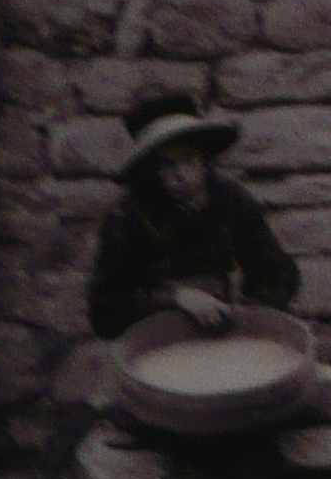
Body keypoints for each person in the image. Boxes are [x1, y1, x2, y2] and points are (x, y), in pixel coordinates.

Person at [85, 92, 300, 340]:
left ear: (204, 159)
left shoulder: (230, 198)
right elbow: (105, 311)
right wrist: (176, 298)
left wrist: (247, 312)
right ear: (152, 171)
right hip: (155, 339)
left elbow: (276, 272)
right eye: (167, 165)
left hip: (222, 332)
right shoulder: (128, 215)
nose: (180, 174)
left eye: (188, 159)